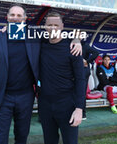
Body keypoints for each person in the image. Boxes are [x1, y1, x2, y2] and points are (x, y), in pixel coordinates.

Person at [0, 5, 81, 144]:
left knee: (22, 136)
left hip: (26, 96)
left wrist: (76, 40)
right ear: (7, 17)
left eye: (19, 15)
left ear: (25, 18)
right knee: (0, 136)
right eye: (12, 15)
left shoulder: (34, 36)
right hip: (3, 97)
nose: (15, 18)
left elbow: (56, 33)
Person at [38, 11, 85, 144]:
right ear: (45, 27)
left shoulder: (73, 48)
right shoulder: (40, 44)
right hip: (45, 105)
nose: (53, 28)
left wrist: (79, 108)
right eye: (50, 25)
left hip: (67, 105)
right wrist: (7, 29)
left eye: (56, 25)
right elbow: (21, 35)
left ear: (62, 26)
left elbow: (81, 80)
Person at [81, 39, 99, 119]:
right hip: (74, 72)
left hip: (84, 71)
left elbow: (96, 53)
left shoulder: (85, 45)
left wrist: (87, 61)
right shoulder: (71, 44)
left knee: (81, 93)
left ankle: (83, 113)